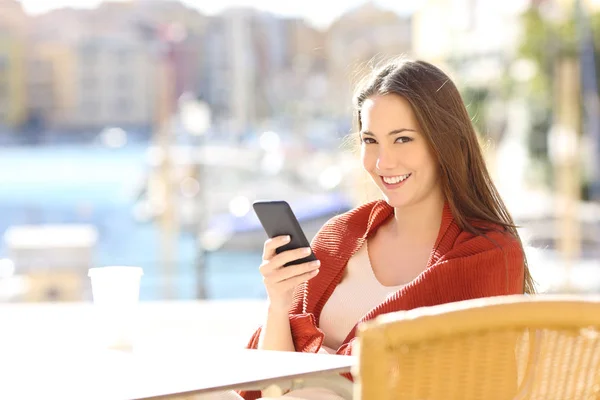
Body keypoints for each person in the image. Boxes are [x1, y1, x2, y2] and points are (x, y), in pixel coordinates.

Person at [224, 58, 533, 400]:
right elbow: (270, 387)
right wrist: (279, 305)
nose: (383, 162)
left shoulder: (488, 254)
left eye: (402, 139)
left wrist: (323, 373)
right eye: (370, 141)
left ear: (444, 142)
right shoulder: (339, 236)